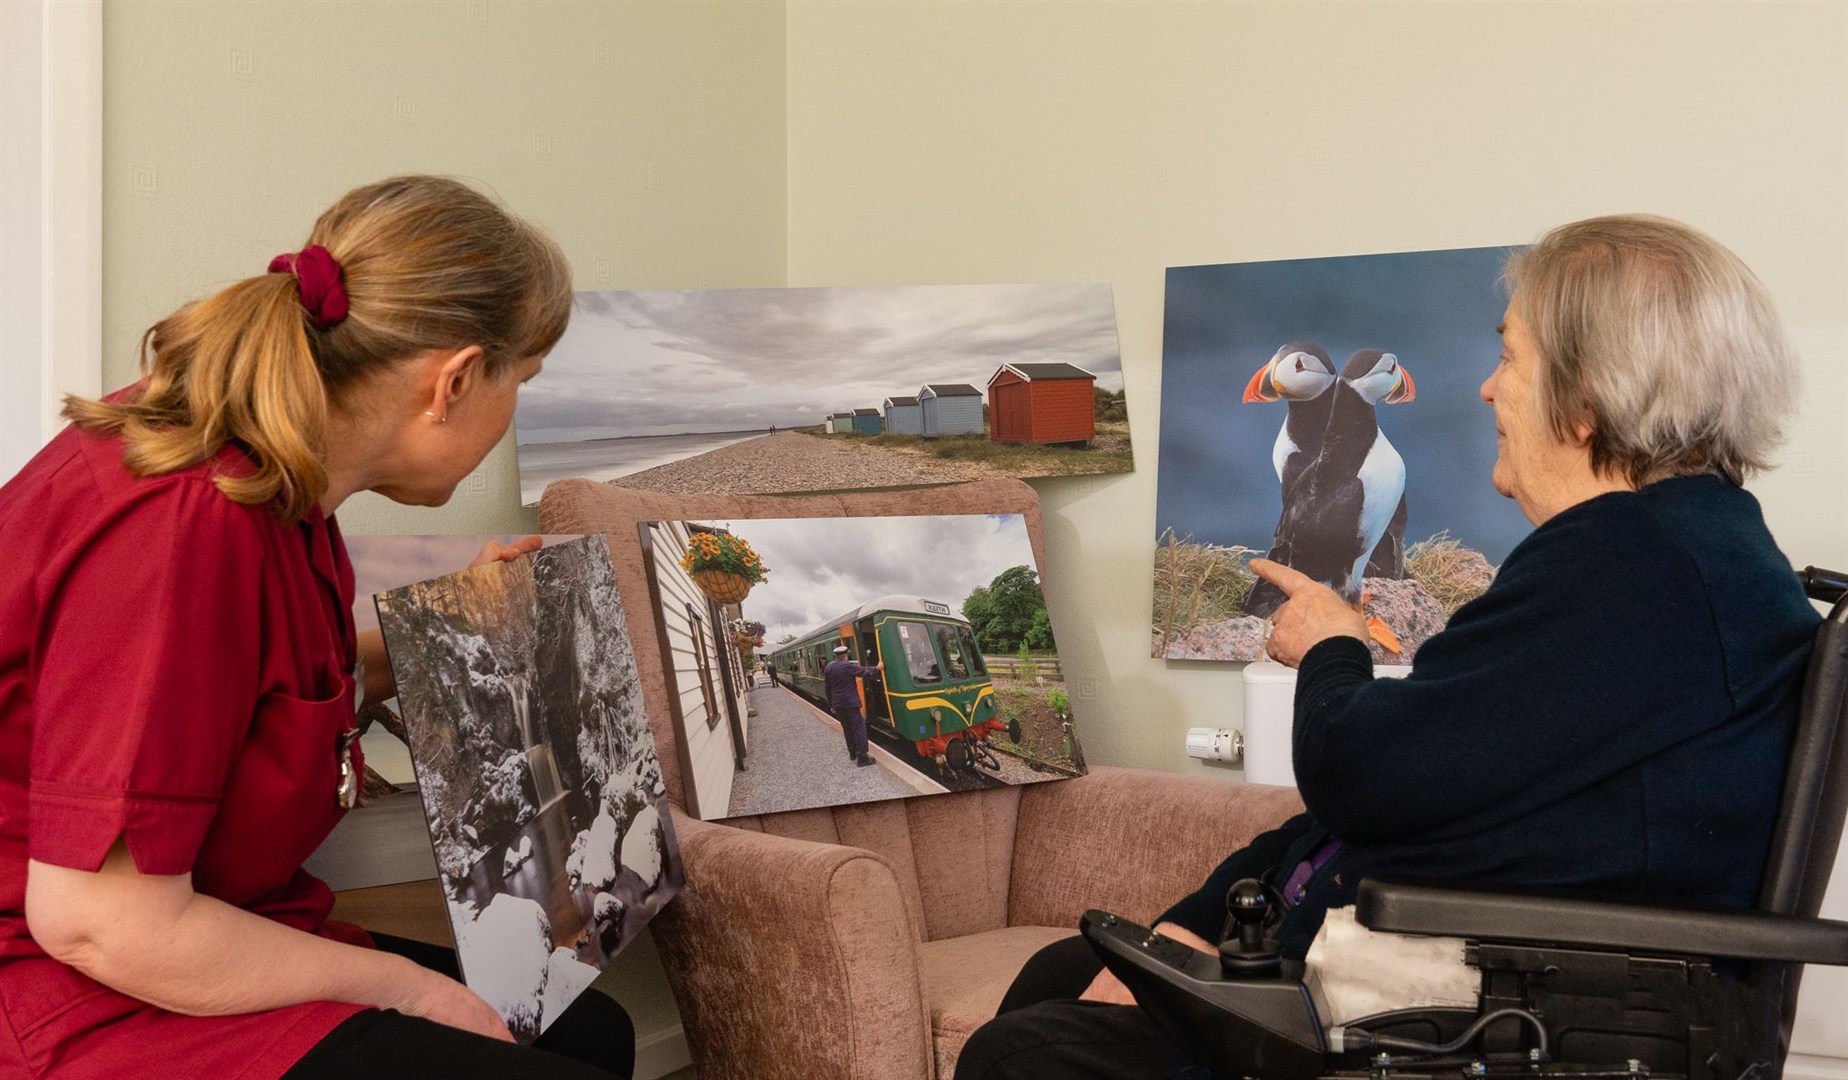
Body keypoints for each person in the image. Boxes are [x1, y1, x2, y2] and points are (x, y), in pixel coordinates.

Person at [955, 214, 1818, 1079]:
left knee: (1023, 1056)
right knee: (1059, 973)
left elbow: (1363, 776)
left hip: (1480, 1026)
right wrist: (1195, 920)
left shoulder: (1642, 565)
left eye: (1510, 356)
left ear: (1588, 396)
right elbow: (1394, 790)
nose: (1487, 389)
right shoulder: (1665, 553)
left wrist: (1334, 646)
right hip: (1453, 990)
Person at [0, 176, 635, 1079]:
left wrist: (455, 631)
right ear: (452, 382)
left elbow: (261, 693)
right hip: (67, 983)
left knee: (591, 1031)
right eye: (519, 383)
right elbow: (95, 922)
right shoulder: (182, 526)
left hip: (180, 923)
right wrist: (409, 990)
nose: (512, 415)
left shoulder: (282, 486)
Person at [824, 643, 884, 767]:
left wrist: (832, 704)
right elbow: (863, 671)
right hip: (850, 703)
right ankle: (862, 758)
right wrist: (877, 668)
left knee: (847, 728)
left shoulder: (829, 667)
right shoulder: (847, 666)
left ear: (836, 655)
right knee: (859, 728)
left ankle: (852, 753)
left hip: (838, 704)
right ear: (846, 655)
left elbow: (827, 688)